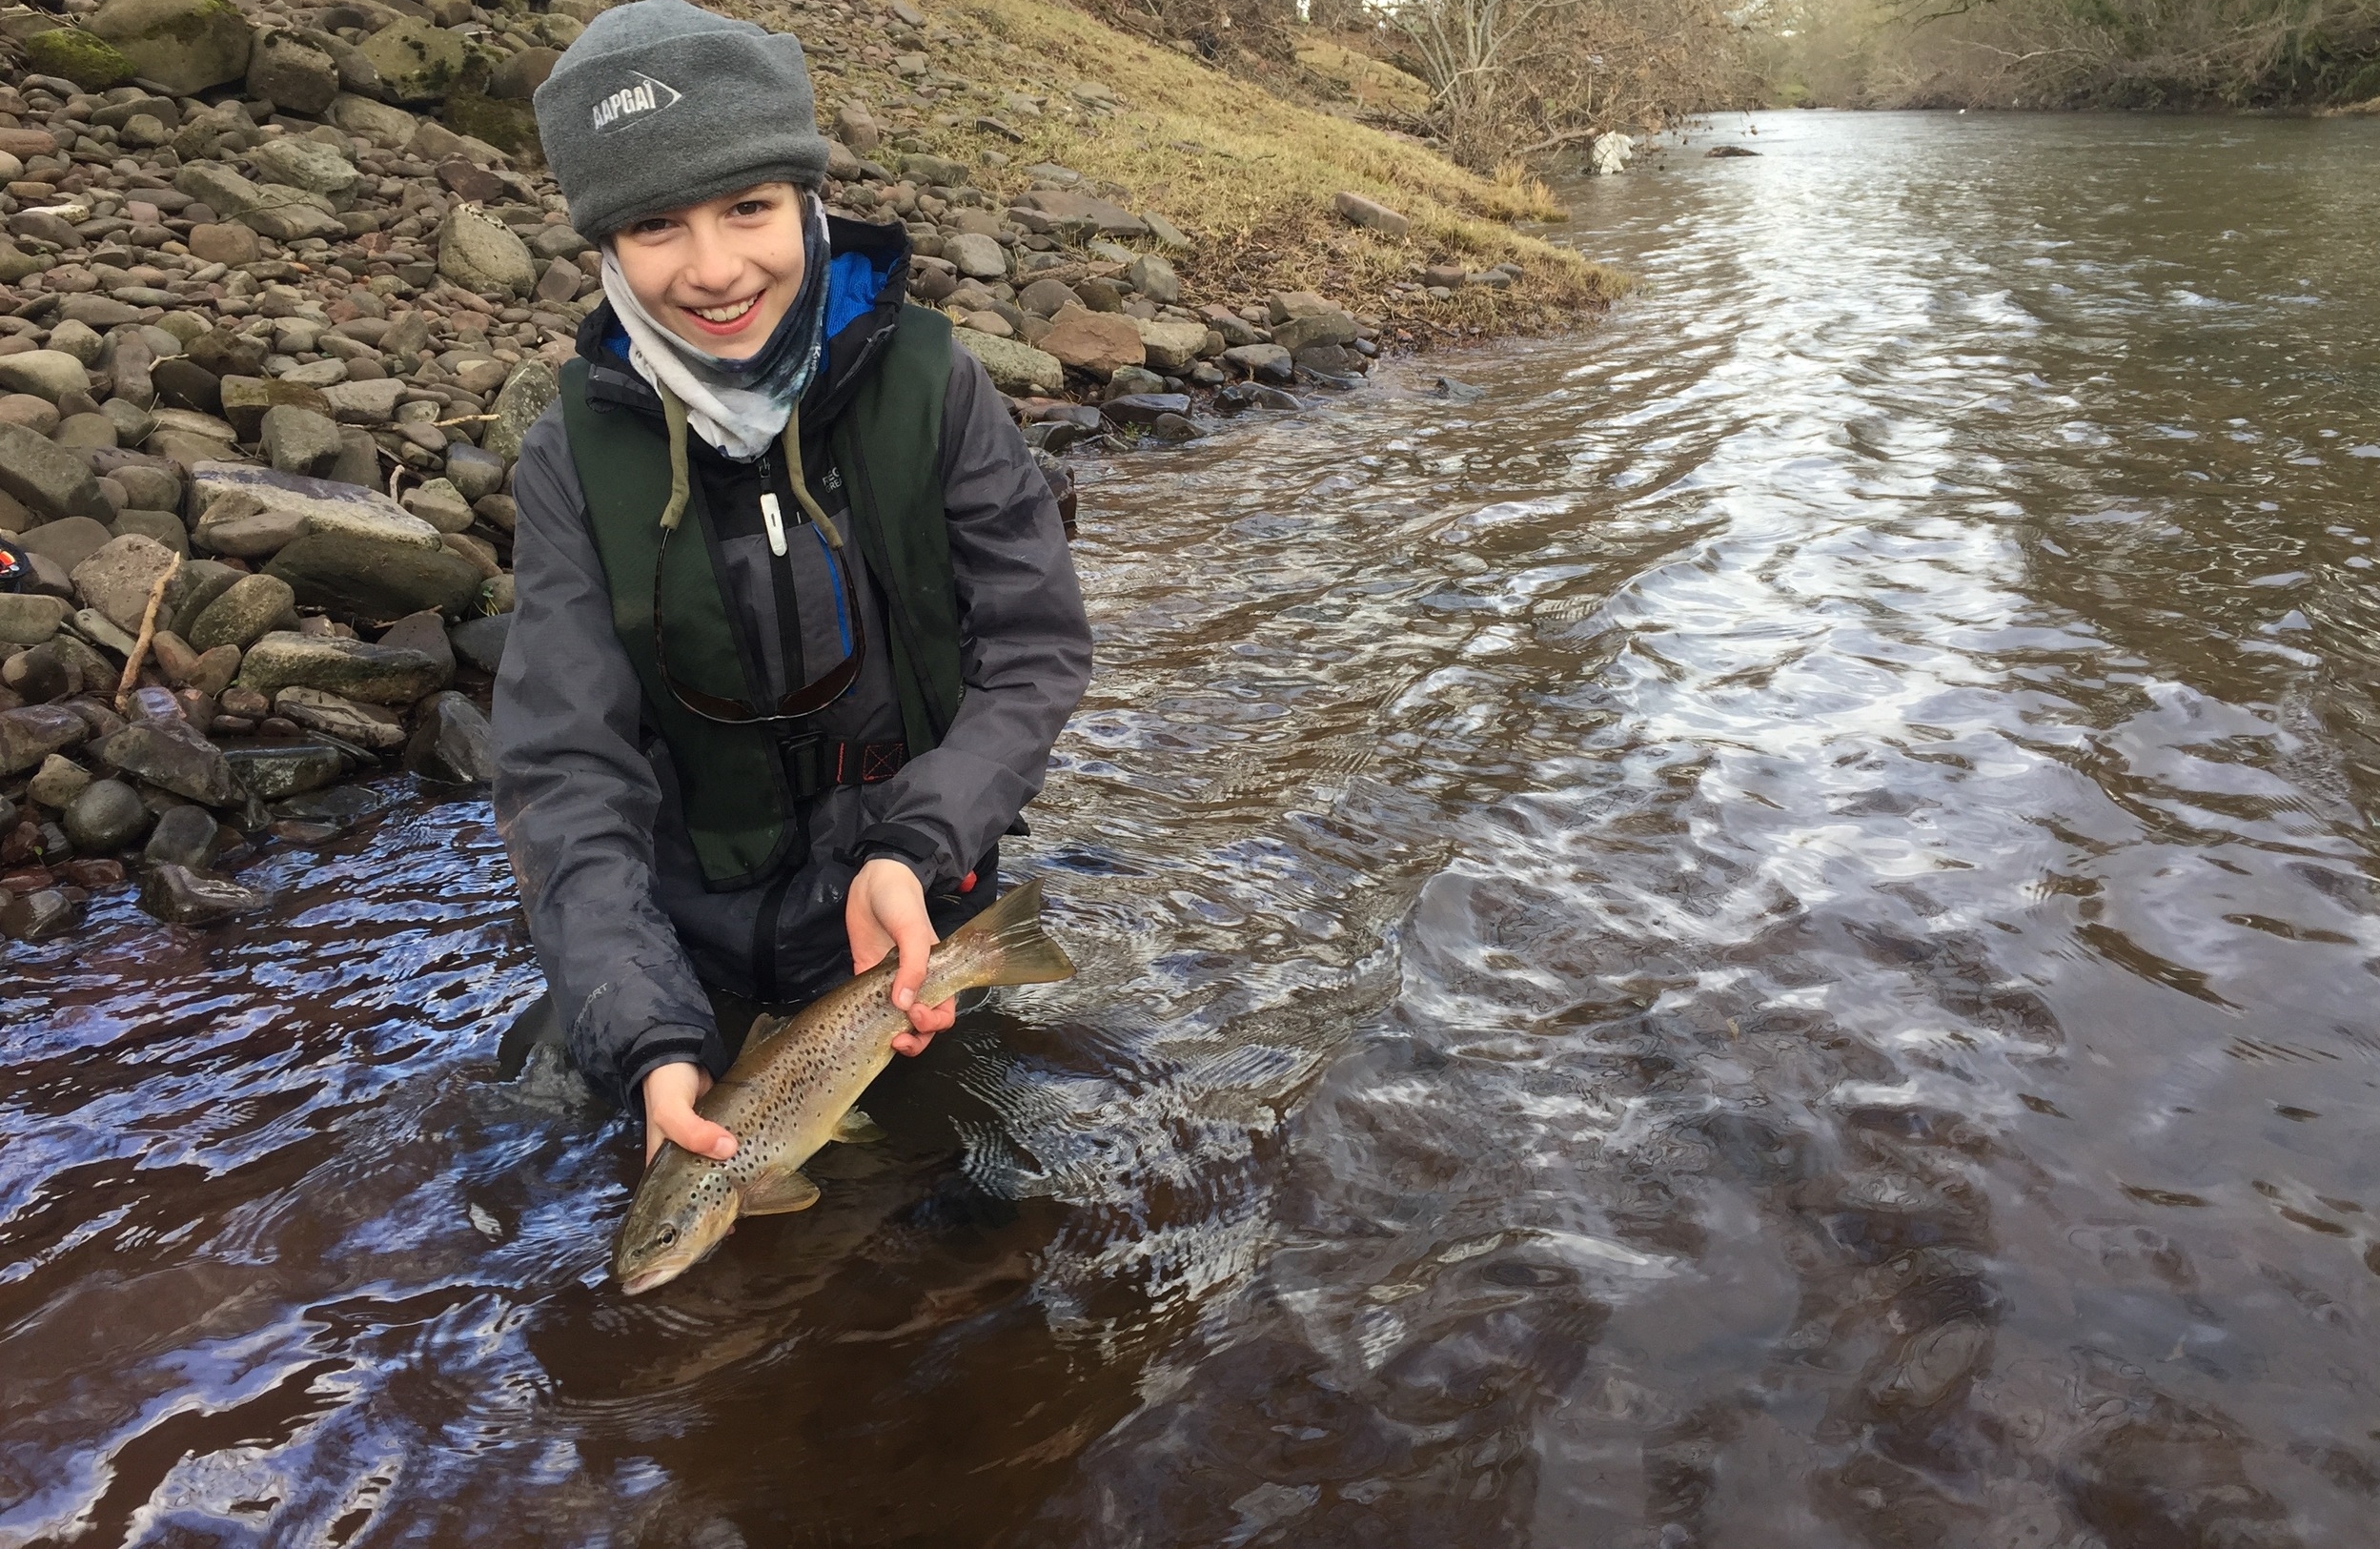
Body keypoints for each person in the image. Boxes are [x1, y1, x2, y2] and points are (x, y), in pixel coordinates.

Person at [494, 0, 1092, 1165]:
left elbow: (1033, 647)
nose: (714, 270)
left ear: (809, 201)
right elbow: (563, 768)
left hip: (910, 918)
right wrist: (645, 1027)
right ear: (606, 247)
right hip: (686, 943)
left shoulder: (932, 385)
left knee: (963, 1255)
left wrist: (914, 844)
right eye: (656, 225)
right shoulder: (571, 456)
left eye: (748, 208)